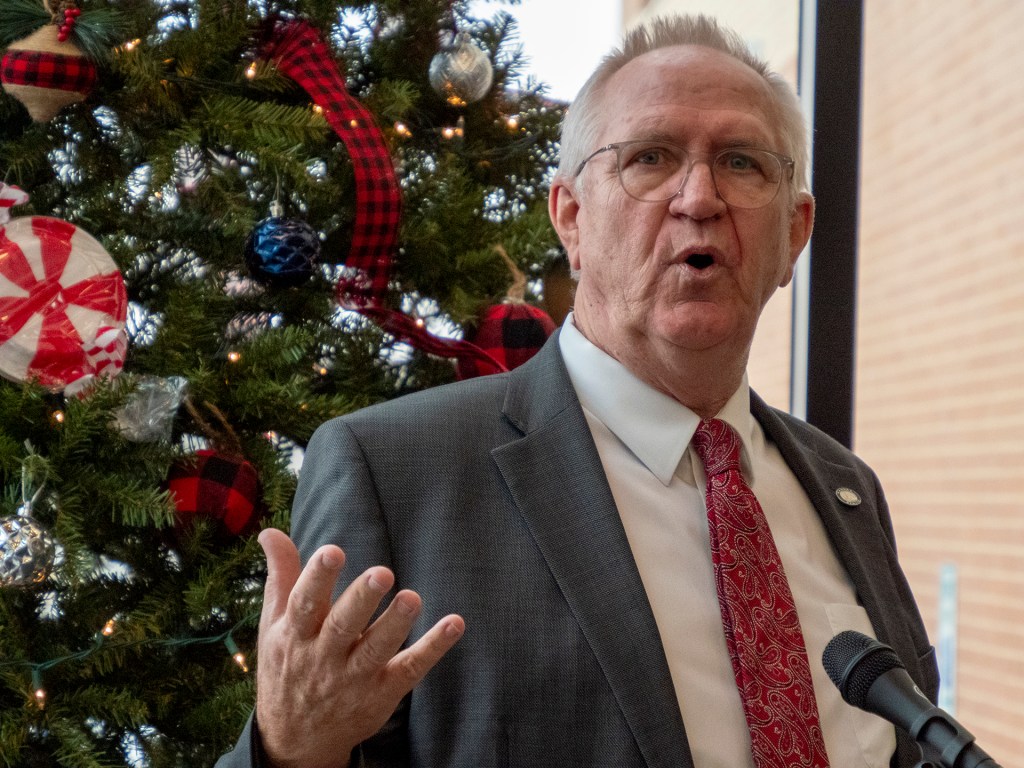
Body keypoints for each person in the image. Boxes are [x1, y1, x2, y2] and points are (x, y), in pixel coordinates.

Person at [217, 14, 937, 768]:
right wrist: (291, 749)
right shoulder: (395, 473)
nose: (699, 198)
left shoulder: (846, 488)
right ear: (572, 218)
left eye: (742, 163)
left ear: (794, 233)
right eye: (651, 158)